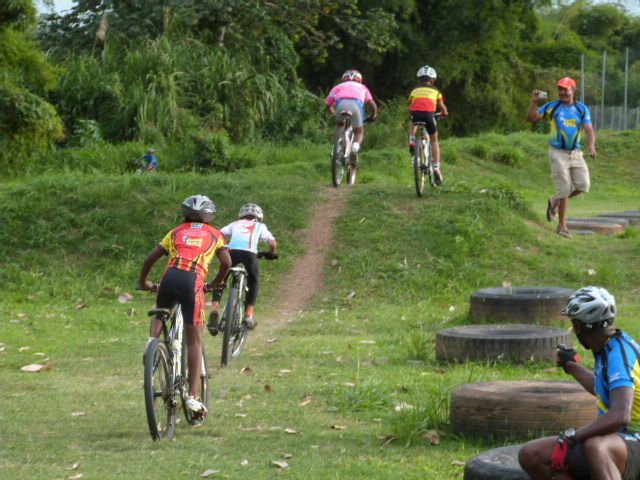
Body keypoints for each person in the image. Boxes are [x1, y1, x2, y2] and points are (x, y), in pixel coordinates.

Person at [519, 286, 640, 480]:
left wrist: (570, 437)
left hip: (634, 441)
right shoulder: (606, 348)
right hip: (618, 441)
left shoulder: (619, 355)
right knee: (532, 455)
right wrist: (571, 367)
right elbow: (603, 389)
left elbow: (620, 415)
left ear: (579, 326)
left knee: (595, 446)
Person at [139, 195, 231, 416]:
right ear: (209, 216)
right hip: (193, 282)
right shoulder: (215, 234)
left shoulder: (176, 232)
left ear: (185, 214)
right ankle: (192, 397)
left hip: (169, 278)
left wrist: (144, 282)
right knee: (194, 341)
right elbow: (226, 262)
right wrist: (217, 283)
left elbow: (151, 258)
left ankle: (152, 344)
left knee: (161, 311)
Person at [527, 77, 596, 238]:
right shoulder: (552, 107)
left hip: (576, 153)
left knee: (583, 185)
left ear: (573, 90)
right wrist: (534, 103)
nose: (562, 92)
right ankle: (562, 227)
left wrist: (591, 146)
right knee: (564, 188)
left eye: (566, 89)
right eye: (560, 89)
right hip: (557, 152)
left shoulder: (582, 109)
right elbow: (531, 119)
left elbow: (589, 130)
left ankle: (555, 200)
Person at [208, 203, 277, 335]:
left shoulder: (235, 224)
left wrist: (222, 247)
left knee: (221, 279)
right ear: (259, 217)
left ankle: (215, 309)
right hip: (250, 254)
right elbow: (273, 243)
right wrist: (271, 253)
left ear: (241, 216)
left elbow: (219, 234)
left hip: (231, 253)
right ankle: (248, 315)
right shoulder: (260, 226)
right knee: (254, 281)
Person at [325, 69, 378, 163]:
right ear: (359, 79)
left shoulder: (337, 87)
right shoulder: (363, 87)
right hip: (356, 106)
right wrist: (372, 116)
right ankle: (355, 148)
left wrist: (334, 114)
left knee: (339, 125)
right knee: (358, 131)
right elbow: (373, 106)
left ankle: (336, 147)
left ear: (343, 79)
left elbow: (328, 105)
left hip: (341, 105)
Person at [408, 65, 448, 185]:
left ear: (419, 79)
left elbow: (411, 105)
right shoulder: (436, 91)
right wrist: (444, 113)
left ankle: (411, 139)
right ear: (433, 80)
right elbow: (443, 109)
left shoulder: (414, 90)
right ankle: (436, 168)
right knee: (434, 141)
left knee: (412, 117)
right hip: (429, 116)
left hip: (416, 114)